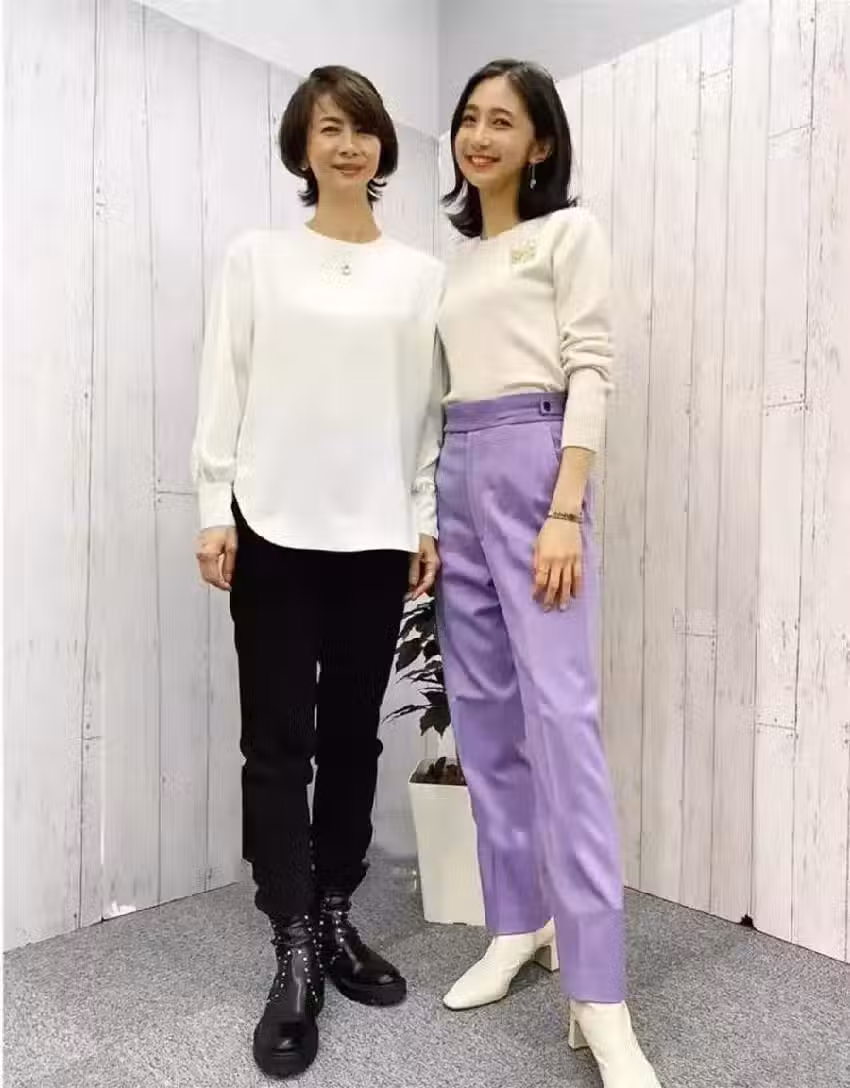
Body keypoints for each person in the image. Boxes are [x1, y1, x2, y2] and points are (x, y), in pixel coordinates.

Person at [191, 65, 443, 1079]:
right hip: (274, 527)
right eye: (329, 128)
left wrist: (422, 517)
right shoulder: (257, 259)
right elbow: (225, 381)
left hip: (375, 532)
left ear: (382, 148)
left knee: (350, 737)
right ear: (303, 146)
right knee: (276, 742)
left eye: (363, 129)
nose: (348, 145)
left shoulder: (419, 276)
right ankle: (291, 940)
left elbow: (424, 413)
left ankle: (336, 912)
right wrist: (213, 506)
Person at [435, 59, 661, 1088]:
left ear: (540, 143)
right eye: (469, 118)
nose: (479, 135)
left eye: (503, 121)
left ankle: (600, 992)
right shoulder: (453, 265)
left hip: (536, 466)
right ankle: (517, 924)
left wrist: (565, 506)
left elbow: (590, 366)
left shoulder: (568, 234)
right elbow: (436, 391)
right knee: (484, 720)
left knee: (562, 724)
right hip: (458, 466)